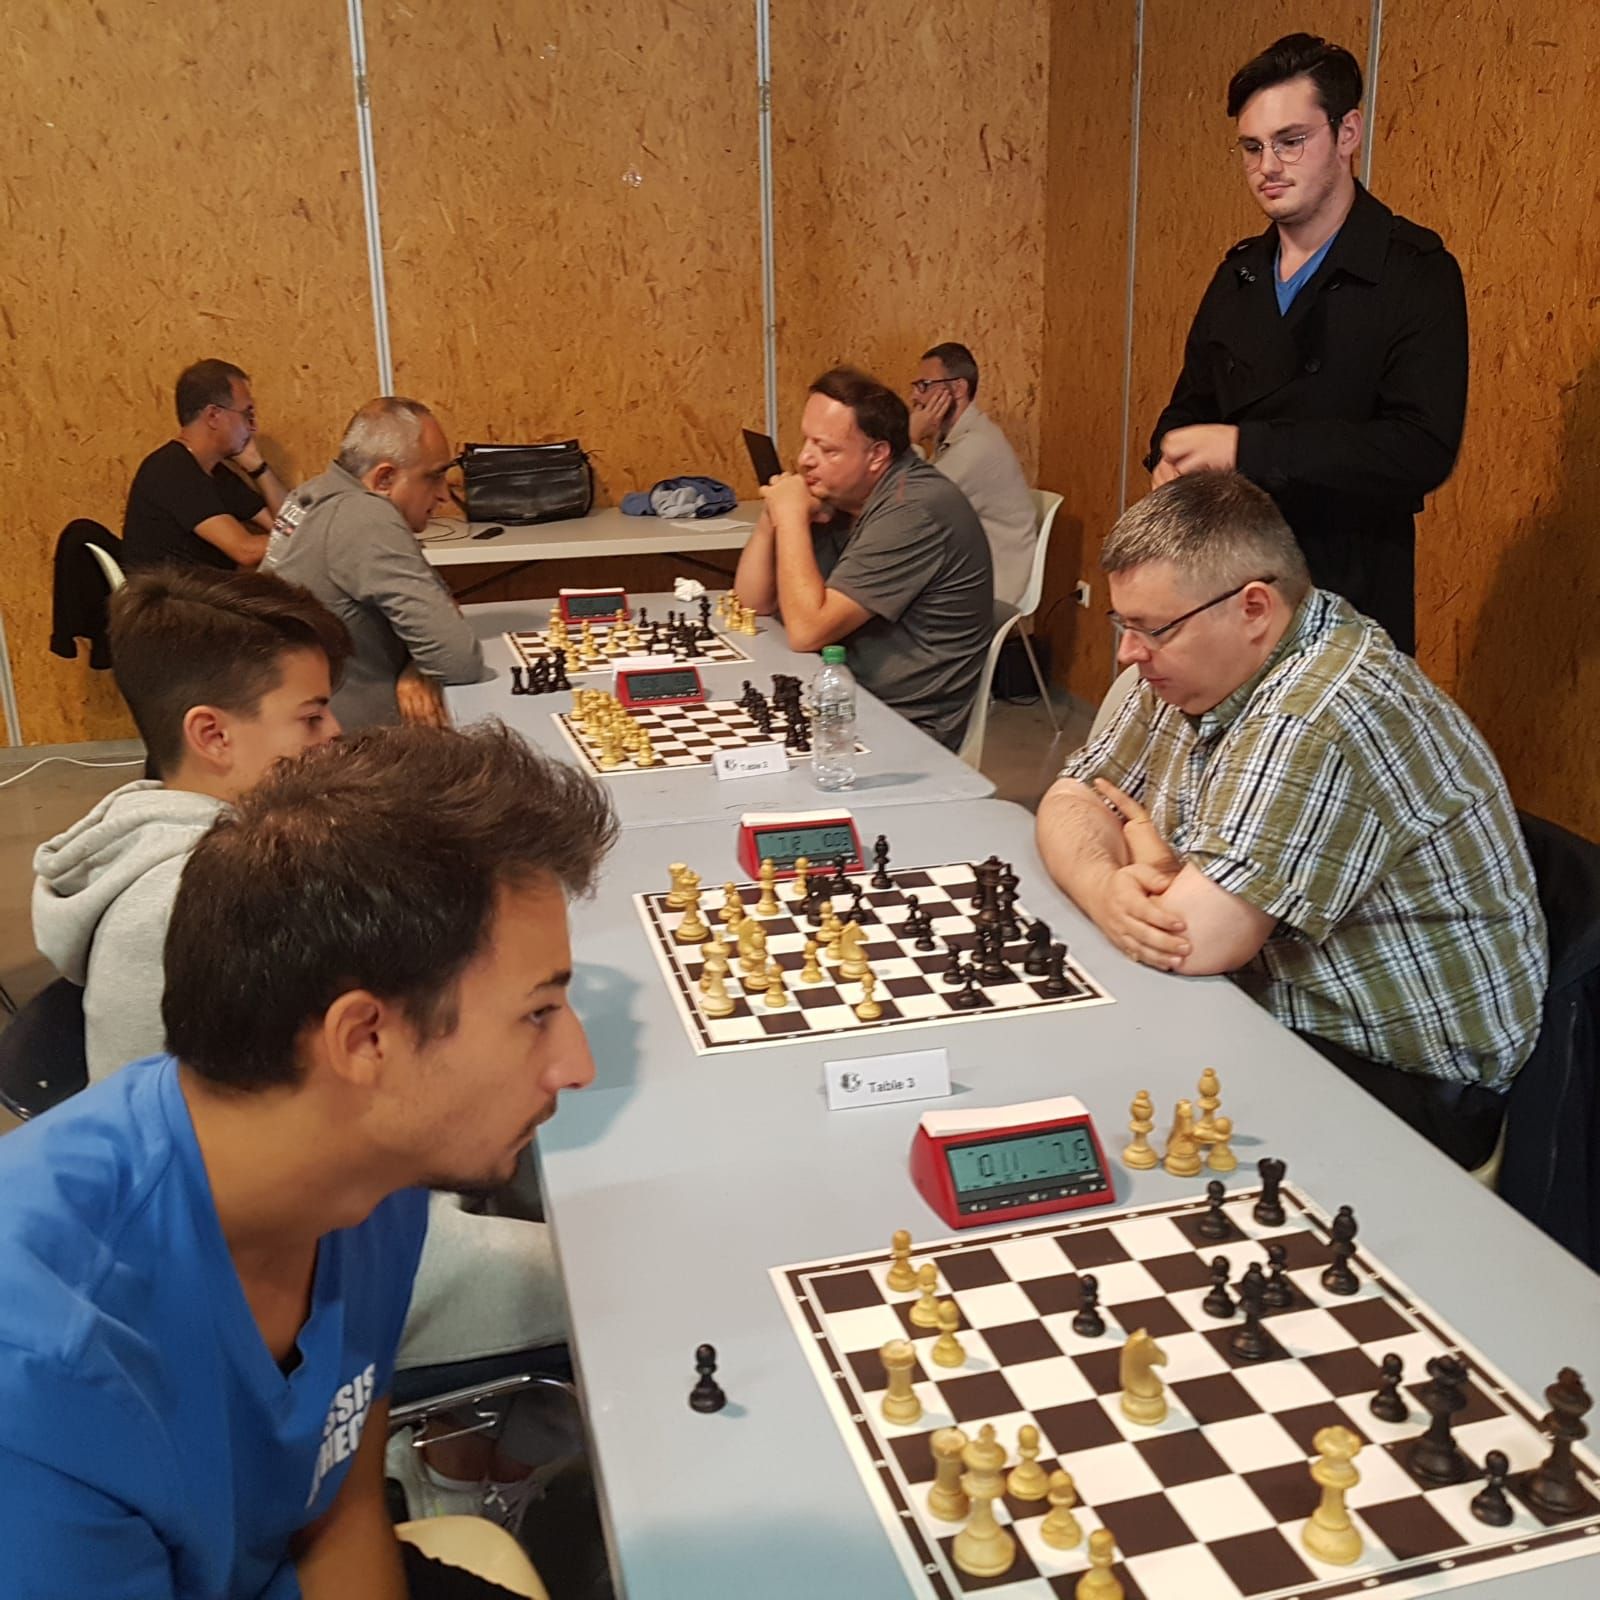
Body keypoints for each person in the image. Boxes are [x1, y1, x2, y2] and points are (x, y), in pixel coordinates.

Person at [2, 722, 617, 1599]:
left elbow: (335, 1500)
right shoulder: (39, 1376)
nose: (577, 1066)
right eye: (537, 1014)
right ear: (365, 1039)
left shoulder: (367, 1172)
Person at [32, 567, 578, 1382]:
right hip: (285, 1274)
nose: (335, 735)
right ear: (213, 735)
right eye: (312, 715)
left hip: (358, 1212)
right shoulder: (207, 904)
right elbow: (319, 1206)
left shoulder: (198, 845)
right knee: (620, 1269)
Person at [1035, 473, 1546, 1168]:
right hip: (1260, 1002)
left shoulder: (1320, 708)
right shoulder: (1194, 666)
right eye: (1123, 623)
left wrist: (1154, 873)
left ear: (1253, 607)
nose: (1128, 652)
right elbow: (1070, 797)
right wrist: (1108, 885)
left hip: (1403, 1076)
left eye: (1151, 628)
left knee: (1092, 1118)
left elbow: (1189, 940)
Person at [1147, 34, 1468, 655]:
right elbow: (1188, 407)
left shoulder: (1414, 271)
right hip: (1228, 584)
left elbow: (1421, 448)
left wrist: (1249, 448)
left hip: (1346, 596)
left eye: (1290, 141)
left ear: (1348, 133)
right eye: (1252, 147)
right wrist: (1169, 456)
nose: (1268, 166)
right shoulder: (1239, 274)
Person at [733, 366, 993, 749]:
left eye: (827, 449)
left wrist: (790, 518)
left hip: (904, 728)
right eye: (806, 441)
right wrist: (772, 516)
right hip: (841, 693)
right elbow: (751, 604)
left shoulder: (914, 509)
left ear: (877, 455)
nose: (804, 459)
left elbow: (806, 632)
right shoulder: (842, 496)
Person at [267, 397, 488, 730]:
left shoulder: (313, 493)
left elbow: (443, 607)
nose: (444, 495)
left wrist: (418, 665)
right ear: (384, 479)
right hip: (348, 743)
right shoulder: (364, 517)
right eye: (433, 477)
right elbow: (458, 660)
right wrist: (428, 662)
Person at [123, 358, 289, 573]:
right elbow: (245, 550)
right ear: (213, 416)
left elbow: (286, 524)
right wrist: (309, 541)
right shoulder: (171, 470)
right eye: (247, 414)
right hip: (167, 593)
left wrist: (258, 467)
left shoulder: (217, 473)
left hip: (202, 590)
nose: (253, 427)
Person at [908, 341, 1038, 608]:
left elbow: (913, 507)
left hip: (989, 591)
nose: (915, 397)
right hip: (966, 574)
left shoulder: (977, 446)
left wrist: (910, 438)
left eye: (924, 385)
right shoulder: (956, 439)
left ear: (958, 388)